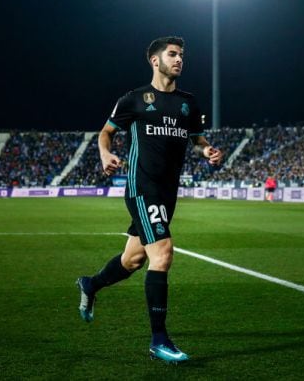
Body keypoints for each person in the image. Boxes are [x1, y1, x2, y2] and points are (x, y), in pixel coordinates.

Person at [76, 36, 223, 363]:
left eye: (182, 55)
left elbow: (196, 140)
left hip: (168, 192)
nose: (179, 59)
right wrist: (104, 153)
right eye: (172, 54)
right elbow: (106, 132)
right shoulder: (134, 99)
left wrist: (207, 150)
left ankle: (91, 284)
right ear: (155, 61)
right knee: (164, 253)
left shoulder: (189, 103)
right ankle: (159, 340)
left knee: (133, 260)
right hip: (143, 186)